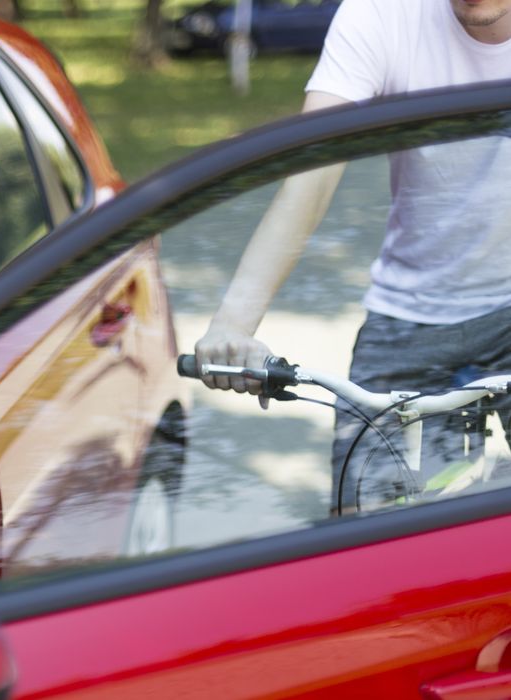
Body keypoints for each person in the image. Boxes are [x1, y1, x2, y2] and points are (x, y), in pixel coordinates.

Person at [194, 0, 511, 512]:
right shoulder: (380, 14)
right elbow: (311, 175)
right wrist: (233, 323)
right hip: (407, 318)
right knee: (360, 524)